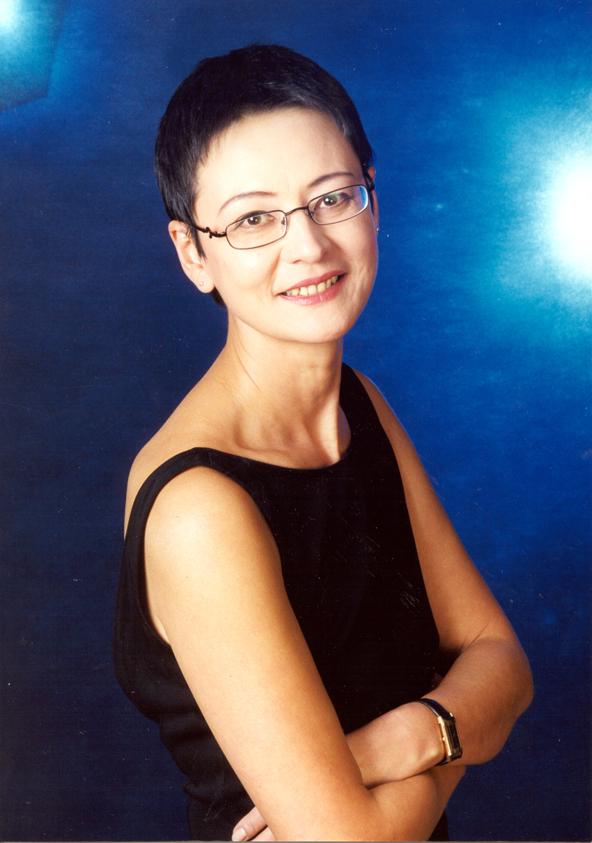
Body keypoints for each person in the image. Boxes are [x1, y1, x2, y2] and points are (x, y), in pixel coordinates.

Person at [113, 44, 533, 842]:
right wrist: (458, 725)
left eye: (332, 197)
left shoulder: (358, 404)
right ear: (194, 253)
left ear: (373, 199)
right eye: (254, 219)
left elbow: (504, 661)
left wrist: (402, 739)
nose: (307, 245)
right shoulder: (201, 506)